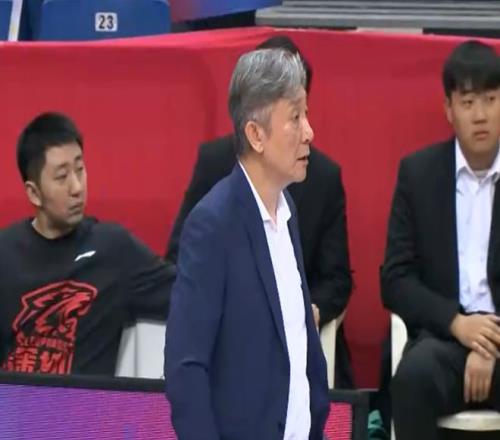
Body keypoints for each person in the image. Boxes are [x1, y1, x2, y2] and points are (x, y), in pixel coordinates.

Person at [165, 35, 354, 388]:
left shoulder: (318, 182)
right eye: (294, 117)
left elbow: (337, 279)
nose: (308, 132)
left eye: (304, 113)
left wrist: (308, 312)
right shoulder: (214, 170)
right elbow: (178, 262)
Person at [381, 40, 500, 440]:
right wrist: (457, 324)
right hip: (444, 339)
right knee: (411, 380)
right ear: (448, 109)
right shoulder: (418, 175)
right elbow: (395, 279)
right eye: (467, 102)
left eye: (490, 99)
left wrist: (490, 345)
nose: (480, 115)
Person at [0, 112, 173, 376]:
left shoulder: (113, 250)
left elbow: (190, 293)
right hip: (14, 401)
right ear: (34, 193)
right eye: (62, 177)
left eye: (80, 170)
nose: (77, 187)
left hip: (85, 403)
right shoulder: (5, 255)